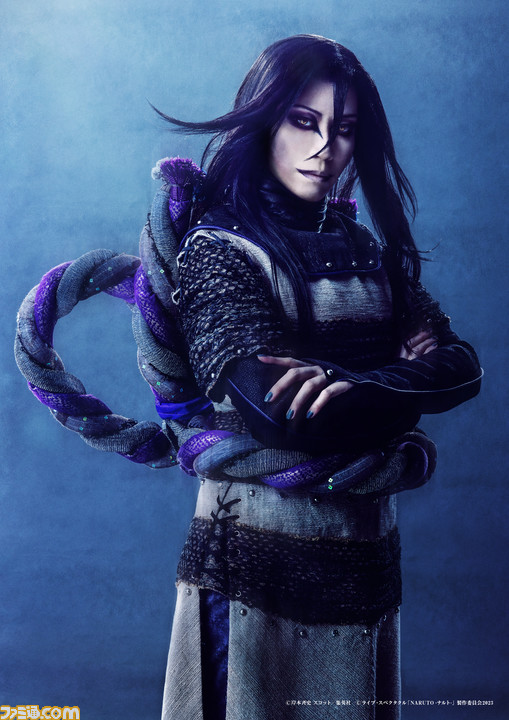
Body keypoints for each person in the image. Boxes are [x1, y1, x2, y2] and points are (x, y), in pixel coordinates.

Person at [15, 33, 482, 720]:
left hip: (364, 560)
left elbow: (462, 366)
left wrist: (366, 386)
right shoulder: (220, 252)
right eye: (304, 121)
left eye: (344, 129)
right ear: (265, 121)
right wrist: (404, 380)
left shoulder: (364, 249)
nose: (325, 147)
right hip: (251, 568)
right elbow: (284, 416)